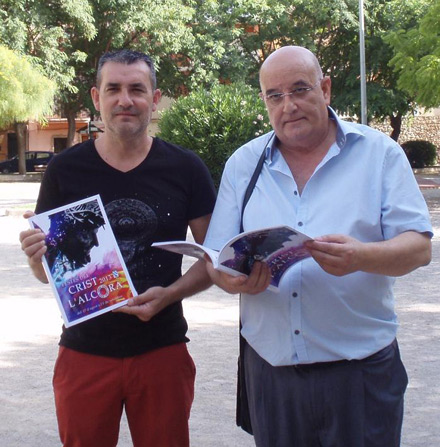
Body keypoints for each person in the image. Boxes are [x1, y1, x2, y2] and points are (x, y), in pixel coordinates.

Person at [203, 46, 432, 447]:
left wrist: (362, 257)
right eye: (274, 95)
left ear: (325, 89)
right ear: (265, 102)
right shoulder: (244, 163)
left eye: (299, 89)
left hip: (359, 375)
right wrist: (231, 281)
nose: (288, 105)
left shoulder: (378, 154)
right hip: (272, 374)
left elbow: (418, 247)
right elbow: (215, 260)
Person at [19, 49, 216, 447]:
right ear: (97, 97)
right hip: (85, 353)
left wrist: (171, 295)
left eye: (137, 89)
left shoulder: (186, 168)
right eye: (114, 89)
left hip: (162, 348)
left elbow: (215, 257)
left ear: (155, 99)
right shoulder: (65, 170)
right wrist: (36, 256)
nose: (125, 99)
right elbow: (46, 275)